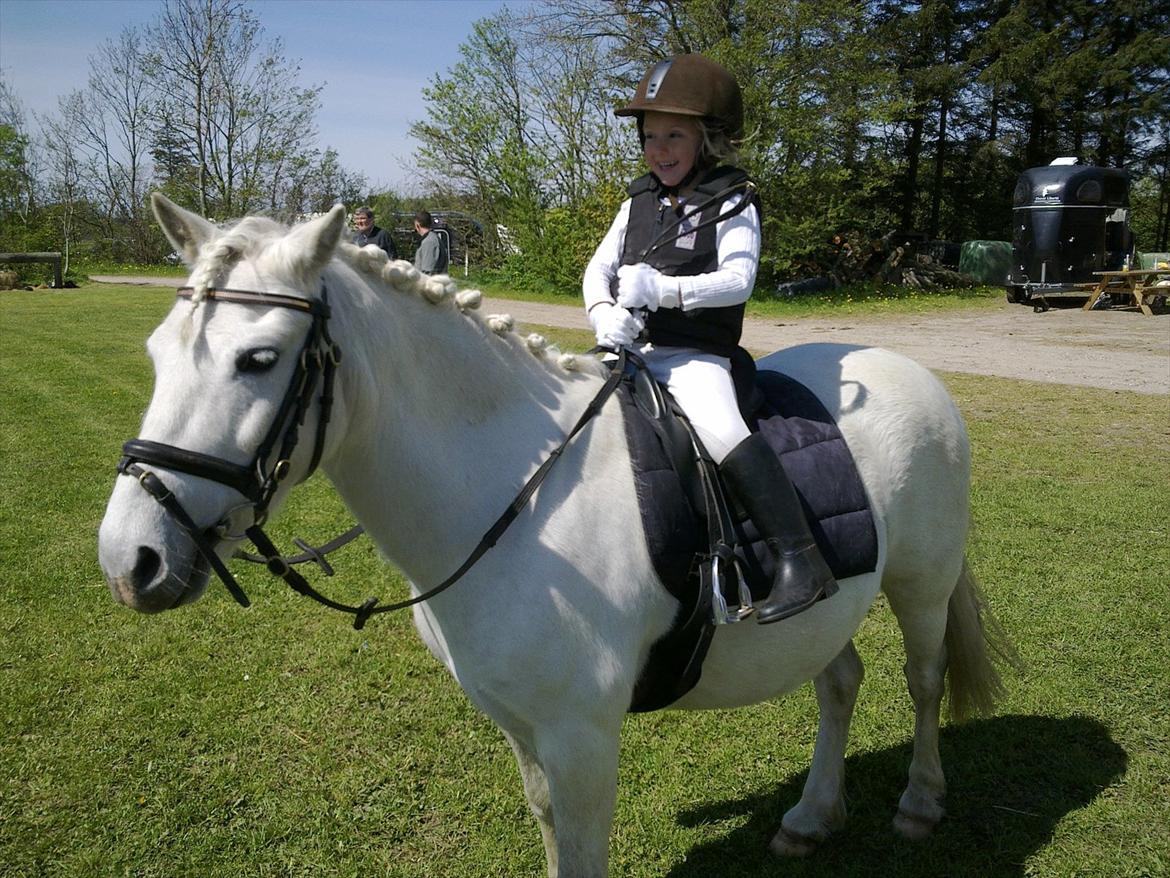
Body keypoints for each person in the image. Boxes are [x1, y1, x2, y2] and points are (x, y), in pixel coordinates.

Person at [582, 54, 837, 624]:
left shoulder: (733, 198)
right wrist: (602, 313)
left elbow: (737, 280)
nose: (659, 148)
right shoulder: (637, 200)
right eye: (651, 135)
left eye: (674, 134)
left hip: (695, 356)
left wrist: (663, 290)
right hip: (633, 350)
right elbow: (597, 269)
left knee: (721, 429)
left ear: (709, 138)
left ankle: (801, 559)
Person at [413, 209, 449, 275]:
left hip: (431, 284)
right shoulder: (430, 239)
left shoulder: (429, 242)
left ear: (417, 225)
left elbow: (428, 271)